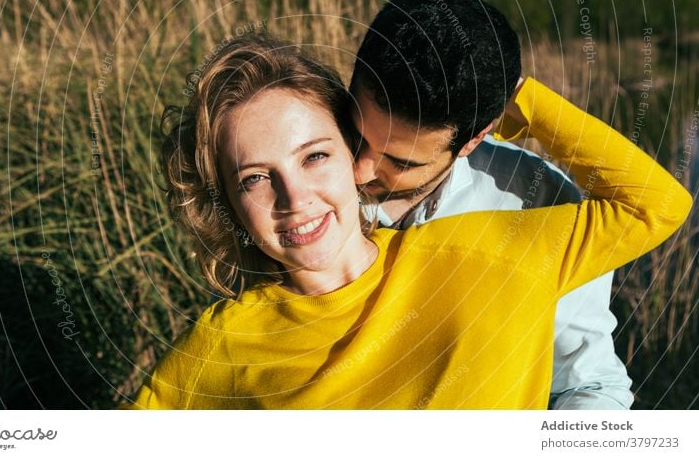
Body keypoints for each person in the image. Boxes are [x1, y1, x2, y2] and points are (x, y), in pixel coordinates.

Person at [122, 33, 690, 409]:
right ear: (228, 200)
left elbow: (657, 205)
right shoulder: (222, 342)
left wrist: (517, 104)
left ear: (352, 155)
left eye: (314, 156)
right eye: (253, 178)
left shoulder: (492, 247)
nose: (294, 197)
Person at [349, 0, 633, 409]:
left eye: (402, 162)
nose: (358, 170)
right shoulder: (297, 173)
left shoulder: (540, 202)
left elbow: (587, 385)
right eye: (355, 135)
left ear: (473, 139)